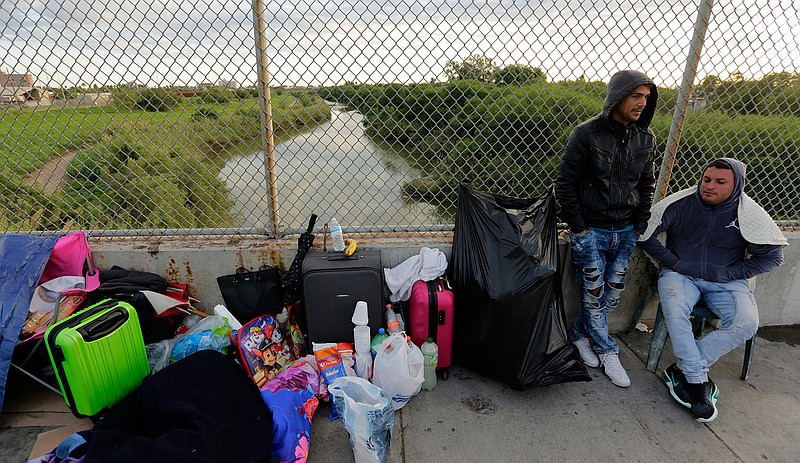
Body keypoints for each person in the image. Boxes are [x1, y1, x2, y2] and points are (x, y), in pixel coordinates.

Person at [639, 158, 786, 422]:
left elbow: (773, 257)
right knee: (675, 312)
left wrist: (729, 273)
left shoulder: (748, 212)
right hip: (680, 274)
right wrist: (673, 262)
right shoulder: (680, 203)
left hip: (727, 280)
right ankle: (697, 381)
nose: (709, 186)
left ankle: (684, 371)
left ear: (737, 185)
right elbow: (644, 233)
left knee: (747, 323)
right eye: (707, 179)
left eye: (720, 182)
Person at [556, 70, 658, 387]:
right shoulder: (586, 134)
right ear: (618, 96)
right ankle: (607, 349)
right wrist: (580, 229)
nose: (642, 103)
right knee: (594, 292)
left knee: (612, 295)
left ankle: (578, 335)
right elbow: (566, 185)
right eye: (635, 96)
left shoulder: (646, 138)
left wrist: (639, 225)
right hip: (591, 231)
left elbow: (647, 184)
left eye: (646, 97)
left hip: (626, 232)